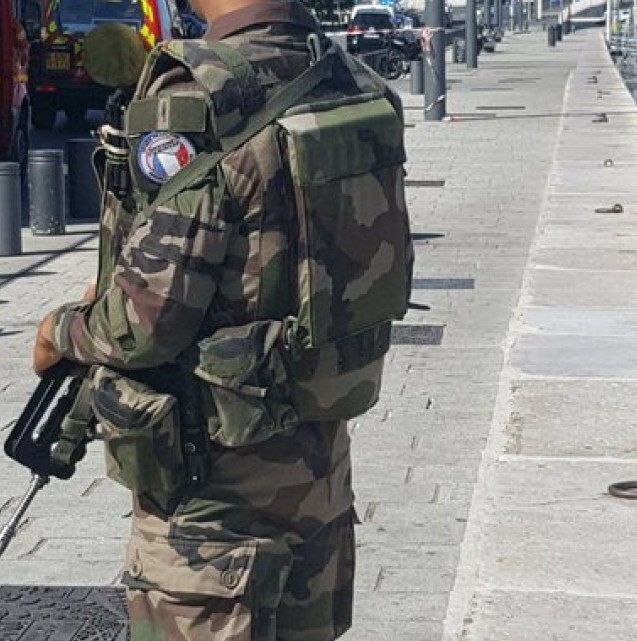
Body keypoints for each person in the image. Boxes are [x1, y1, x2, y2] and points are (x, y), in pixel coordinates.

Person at [32, 0, 413, 637]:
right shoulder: (349, 78)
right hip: (317, 477)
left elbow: (145, 319)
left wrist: (60, 332)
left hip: (212, 504)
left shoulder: (198, 96)